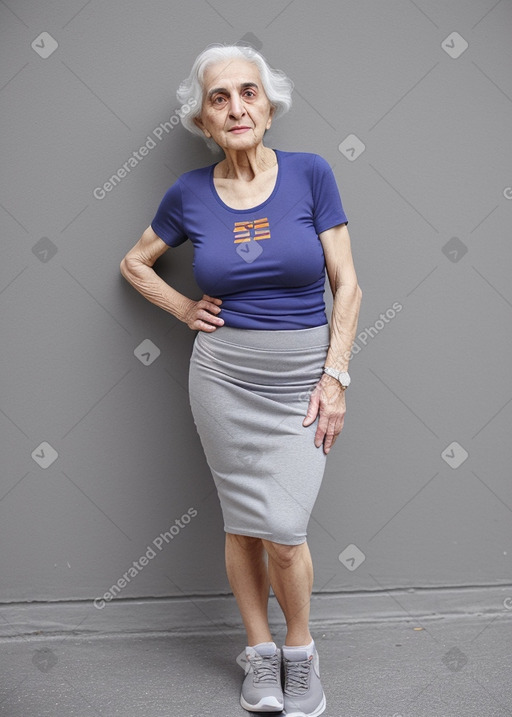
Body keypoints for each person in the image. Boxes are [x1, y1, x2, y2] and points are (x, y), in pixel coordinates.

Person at [120, 43, 362, 717]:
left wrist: (335, 376)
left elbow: (348, 286)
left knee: (285, 526)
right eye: (219, 97)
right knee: (243, 523)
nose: (236, 107)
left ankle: (300, 646)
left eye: (248, 92)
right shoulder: (189, 193)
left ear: (269, 104)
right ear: (202, 118)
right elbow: (136, 264)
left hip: (301, 378)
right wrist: (182, 306)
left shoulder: (312, 174)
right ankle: (258, 649)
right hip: (224, 379)